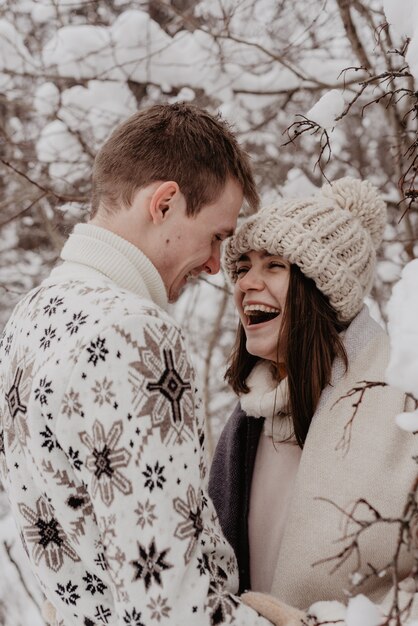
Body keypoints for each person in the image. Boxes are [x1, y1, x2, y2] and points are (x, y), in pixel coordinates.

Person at [0, 103, 278, 626]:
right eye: (217, 235)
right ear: (166, 202)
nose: (218, 264)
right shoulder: (133, 331)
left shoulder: (31, 314)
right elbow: (173, 606)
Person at [209, 177, 418, 625]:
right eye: (242, 267)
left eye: (273, 266)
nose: (247, 282)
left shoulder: (402, 402)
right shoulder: (248, 420)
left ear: (321, 288)